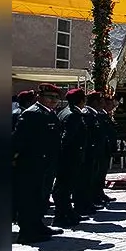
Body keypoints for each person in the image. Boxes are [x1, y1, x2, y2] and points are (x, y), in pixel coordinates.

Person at [12, 83, 64, 243]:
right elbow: (18, 140)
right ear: (39, 97)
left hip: (46, 164)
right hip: (31, 164)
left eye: (56, 98)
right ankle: (27, 232)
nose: (53, 100)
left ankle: (37, 225)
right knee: (29, 198)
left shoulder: (49, 113)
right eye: (50, 97)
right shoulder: (32, 114)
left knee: (41, 197)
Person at [54, 88, 91, 223]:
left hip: (66, 156)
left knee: (64, 186)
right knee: (65, 186)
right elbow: (67, 137)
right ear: (81, 101)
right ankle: (62, 215)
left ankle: (67, 212)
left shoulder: (63, 112)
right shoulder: (73, 115)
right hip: (70, 156)